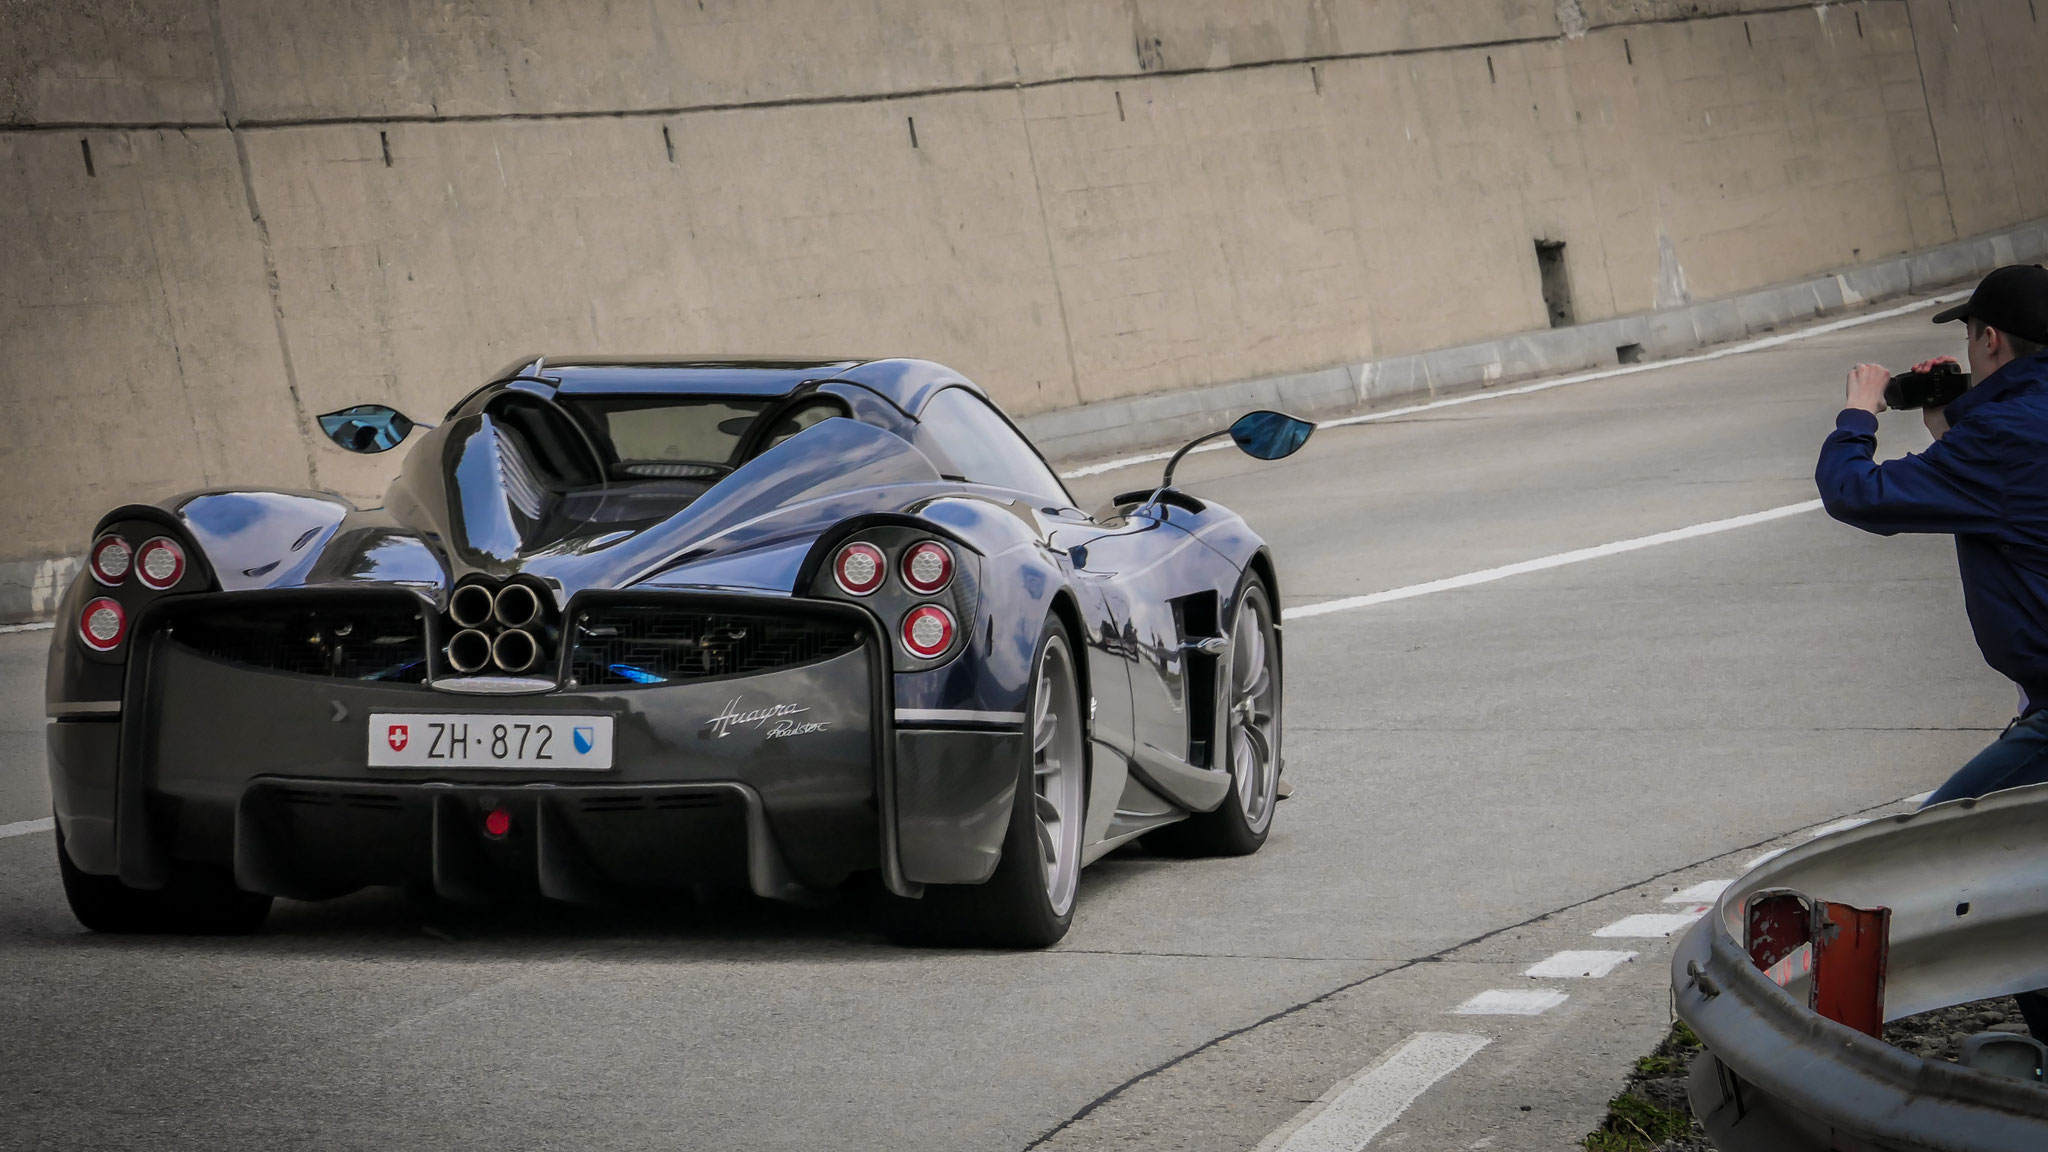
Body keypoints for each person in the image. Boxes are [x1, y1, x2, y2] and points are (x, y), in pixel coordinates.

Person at [1815, 263, 2048, 1034]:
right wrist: (1953, 423)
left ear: (1989, 338)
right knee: (2025, 882)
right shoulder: (2007, 432)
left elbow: (1861, 496)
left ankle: (1832, 1064)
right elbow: (2005, 502)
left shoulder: (2004, 438)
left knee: (1933, 860)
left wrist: (1858, 411)